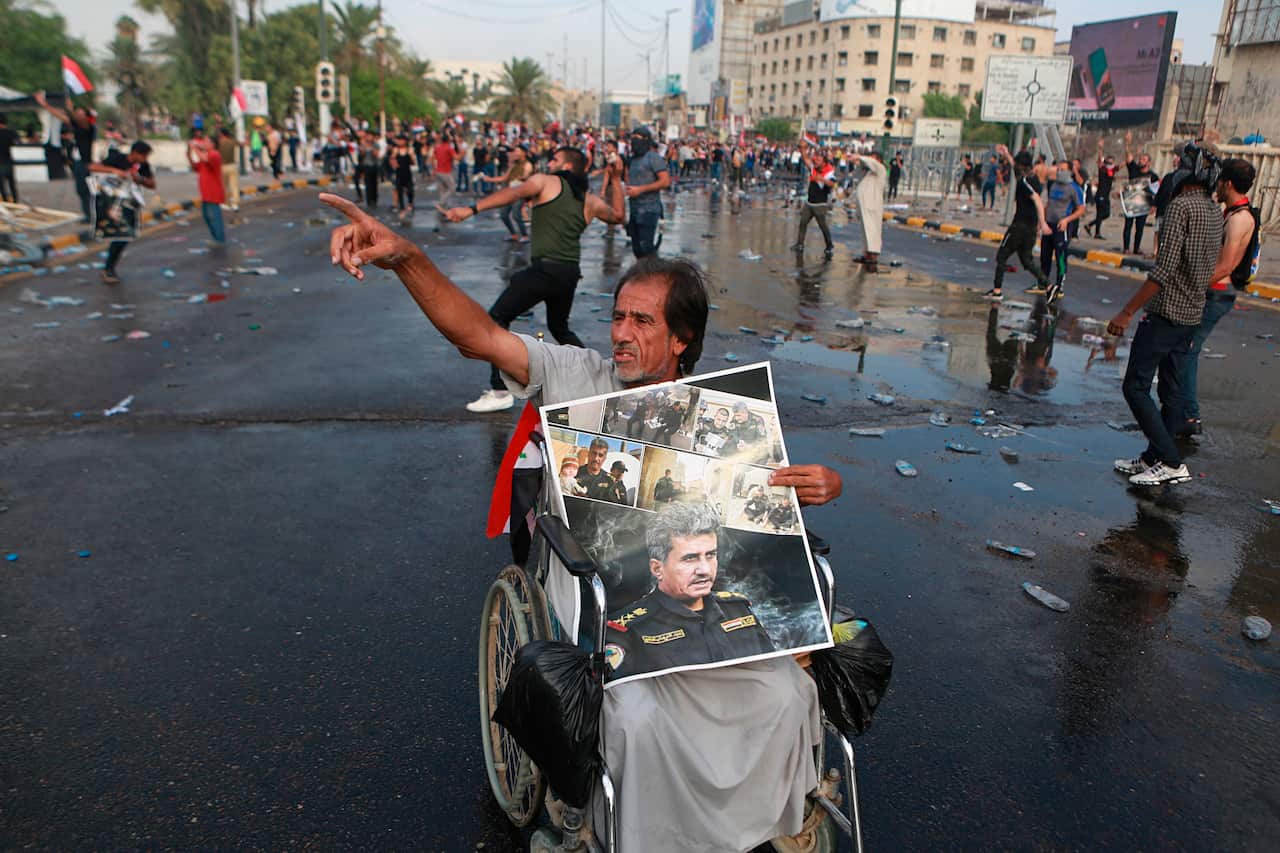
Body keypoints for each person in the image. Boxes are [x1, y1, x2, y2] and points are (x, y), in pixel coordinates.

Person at [319, 201, 843, 846]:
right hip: (601, 592)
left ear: (681, 339)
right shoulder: (578, 378)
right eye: (618, 315)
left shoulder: (718, 415)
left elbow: (757, 520)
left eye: (642, 321)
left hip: (698, 600)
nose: (621, 332)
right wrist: (407, 259)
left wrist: (822, 485)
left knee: (787, 695)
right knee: (637, 719)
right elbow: (476, 337)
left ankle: (767, 820)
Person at [443, 146, 625, 412]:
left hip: (545, 270)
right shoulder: (588, 200)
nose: (549, 162)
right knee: (559, 327)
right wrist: (617, 179)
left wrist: (471, 209)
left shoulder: (545, 181)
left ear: (568, 166)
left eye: (555, 158)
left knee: (496, 318)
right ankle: (599, 379)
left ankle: (500, 390)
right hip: (568, 273)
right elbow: (619, 216)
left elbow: (513, 193)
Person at [1107, 142, 1223, 487]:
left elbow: (1164, 269)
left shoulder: (1181, 208)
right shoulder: (1213, 210)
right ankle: (1155, 457)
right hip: (1191, 312)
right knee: (1170, 391)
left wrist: (1127, 311)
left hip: (1167, 312)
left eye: (1179, 163)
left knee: (1135, 386)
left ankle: (1170, 460)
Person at [603, 501, 776, 680]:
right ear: (657, 569)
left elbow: (772, 674)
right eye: (690, 558)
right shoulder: (628, 631)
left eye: (710, 555)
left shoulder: (738, 609)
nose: (705, 570)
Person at [1178, 157, 1258, 438]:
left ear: (1229, 184)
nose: (1217, 186)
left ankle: (1188, 416)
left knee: (1188, 351)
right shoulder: (1230, 213)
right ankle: (1180, 412)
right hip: (1212, 291)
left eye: (1221, 182)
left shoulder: (1239, 219)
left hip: (1216, 294)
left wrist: (1191, 283)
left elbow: (1226, 265)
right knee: (1182, 350)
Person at [983, 146, 1050, 302]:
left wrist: (1044, 223)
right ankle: (1048, 286)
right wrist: (1007, 154)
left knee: (1002, 256)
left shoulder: (1025, 182)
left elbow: (1038, 201)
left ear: (1021, 165)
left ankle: (997, 291)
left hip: (1019, 226)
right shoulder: (1034, 180)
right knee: (1027, 260)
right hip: (1030, 228)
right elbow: (1016, 168)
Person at [92, 141, 156, 285]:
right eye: (144, 155)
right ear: (134, 153)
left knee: (125, 236)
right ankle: (108, 269)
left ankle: (110, 267)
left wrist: (139, 179)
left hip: (129, 203)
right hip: (111, 201)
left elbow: (152, 184)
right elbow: (93, 167)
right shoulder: (117, 159)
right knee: (121, 234)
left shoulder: (143, 166)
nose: (145, 158)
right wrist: (115, 171)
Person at [33, 91, 95, 222]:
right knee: (80, 190)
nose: (77, 116)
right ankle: (88, 215)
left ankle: (94, 214)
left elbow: (72, 117)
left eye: (81, 114)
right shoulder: (77, 126)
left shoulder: (88, 128)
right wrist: (45, 105)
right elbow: (62, 117)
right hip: (77, 163)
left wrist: (70, 108)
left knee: (87, 191)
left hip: (86, 164)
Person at [1034, 161, 1086, 303]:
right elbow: (1048, 204)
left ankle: (1059, 285)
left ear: (1069, 171)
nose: (1060, 172)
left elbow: (1081, 208)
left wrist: (1067, 220)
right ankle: (1043, 282)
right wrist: (1041, 221)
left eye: (1063, 170)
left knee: (1060, 255)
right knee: (1045, 254)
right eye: (1059, 169)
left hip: (1061, 226)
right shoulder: (1054, 184)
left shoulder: (1074, 188)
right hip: (1049, 224)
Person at [624, 126, 671, 258]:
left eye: (637, 138)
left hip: (649, 210)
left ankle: (654, 276)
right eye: (632, 139)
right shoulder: (632, 160)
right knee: (637, 250)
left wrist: (640, 190)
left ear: (646, 140)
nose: (633, 142)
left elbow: (665, 181)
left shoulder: (653, 158)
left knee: (647, 249)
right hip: (634, 210)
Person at [478, 143, 535, 242]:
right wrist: (489, 179)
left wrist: (523, 177)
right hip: (510, 193)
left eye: (517, 151)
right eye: (515, 151)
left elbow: (527, 175)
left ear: (524, 153)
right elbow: (504, 178)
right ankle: (513, 234)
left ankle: (525, 236)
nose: (515, 153)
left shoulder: (528, 164)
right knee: (503, 214)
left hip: (520, 193)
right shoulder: (514, 165)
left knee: (516, 215)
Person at [791, 149, 836, 259]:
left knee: (823, 226)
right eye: (815, 159)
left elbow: (832, 183)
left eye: (819, 160)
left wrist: (821, 179)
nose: (815, 161)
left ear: (824, 162)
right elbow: (806, 159)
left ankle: (829, 245)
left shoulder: (829, 171)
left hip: (820, 204)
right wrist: (802, 149)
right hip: (809, 203)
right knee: (803, 223)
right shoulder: (813, 168)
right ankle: (800, 244)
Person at [186, 130, 226, 245]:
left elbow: (205, 159)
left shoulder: (214, 154)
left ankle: (219, 239)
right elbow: (196, 166)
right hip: (205, 193)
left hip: (213, 192)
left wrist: (195, 147)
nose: (204, 143)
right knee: (207, 217)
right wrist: (189, 153)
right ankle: (216, 237)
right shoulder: (205, 156)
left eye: (207, 141)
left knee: (214, 217)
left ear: (213, 144)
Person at [851, 149, 887, 272]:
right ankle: (866, 254)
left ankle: (874, 255)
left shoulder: (880, 169)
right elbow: (855, 175)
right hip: (864, 206)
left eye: (873, 158)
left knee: (873, 231)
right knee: (865, 230)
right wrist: (859, 163)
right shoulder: (868, 172)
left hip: (873, 205)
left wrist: (860, 156)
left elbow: (872, 163)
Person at [1121, 131, 1156, 255]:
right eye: (1140, 159)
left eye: (1144, 159)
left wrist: (1154, 205)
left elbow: (1156, 191)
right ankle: (1126, 248)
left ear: (1148, 162)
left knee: (1140, 228)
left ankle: (1136, 248)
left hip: (1144, 204)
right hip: (1131, 202)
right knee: (1128, 226)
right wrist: (1127, 143)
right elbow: (1128, 156)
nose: (1141, 161)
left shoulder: (1153, 176)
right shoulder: (1134, 169)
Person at [1086, 139, 1116, 239]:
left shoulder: (1111, 171)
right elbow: (1099, 160)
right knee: (1100, 213)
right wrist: (1100, 148)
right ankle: (1097, 233)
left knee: (1106, 213)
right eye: (1108, 162)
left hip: (1106, 195)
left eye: (1111, 162)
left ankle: (1090, 225)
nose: (1109, 164)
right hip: (1100, 195)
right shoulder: (1102, 169)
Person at [216, 127, 241, 212]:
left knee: (224, 186)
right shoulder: (232, 141)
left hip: (222, 167)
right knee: (234, 186)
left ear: (222, 134)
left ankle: (225, 203)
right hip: (232, 166)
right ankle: (235, 204)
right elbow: (242, 144)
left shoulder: (219, 143)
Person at [391, 136, 415, 217]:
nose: (400, 142)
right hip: (399, 173)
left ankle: (410, 203)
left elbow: (413, 162)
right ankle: (402, 208)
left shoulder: (409, 150)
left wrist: (411, 156)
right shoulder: (396, 150)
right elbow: (392, 159)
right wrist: (394, 164)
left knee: (410, 190)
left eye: (402, 140)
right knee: (399, 190)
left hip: (407, 173)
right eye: (399, 140)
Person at [0, 114, 18, 203]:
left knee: (1, 185)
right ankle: (15, 201)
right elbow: (16, 143)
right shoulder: (11, 132)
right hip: (8, 161)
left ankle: (5, 201)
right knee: (12, 184)